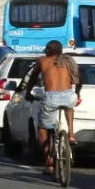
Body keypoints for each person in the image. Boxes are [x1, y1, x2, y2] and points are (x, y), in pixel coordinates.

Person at [34, 40, 82, 174]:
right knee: (69, 106)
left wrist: (27, 92)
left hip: (51, 97)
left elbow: (32, 79)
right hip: (69, 95)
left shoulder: (42, 61)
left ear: (48, 50)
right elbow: (79, 77)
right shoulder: (68, 61)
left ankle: (49, 161)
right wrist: (77, 93)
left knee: (42, 127)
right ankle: (71, 134)